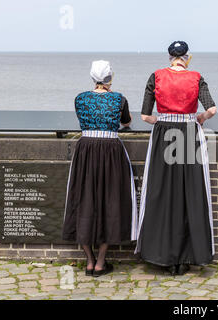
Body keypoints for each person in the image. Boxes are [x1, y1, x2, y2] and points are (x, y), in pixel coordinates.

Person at [135, 41, 217, 275]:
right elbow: (212, 109)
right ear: (187, 57)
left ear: (170, 56)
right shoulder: (196, 77)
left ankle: (162, 254)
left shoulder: (156, 77)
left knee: (161, 193)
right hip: (189, 134)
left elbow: (144, 115)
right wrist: (199, 118)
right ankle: (190, 254)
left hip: (164, 135)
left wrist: (160, 121)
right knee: (191, 192)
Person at [62, 60, 138, 277]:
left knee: (83, 200)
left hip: (86, 150)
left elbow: (84, 120)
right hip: (110, 151)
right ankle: (101, 262)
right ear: (110, 78)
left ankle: (89, 260)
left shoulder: (80, 98)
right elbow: (126, 121)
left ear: (92, 77)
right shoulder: (118, 99)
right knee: (110, 201)